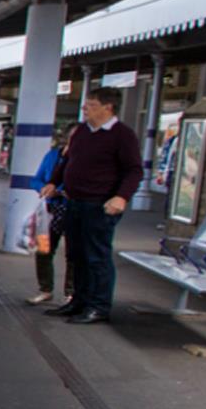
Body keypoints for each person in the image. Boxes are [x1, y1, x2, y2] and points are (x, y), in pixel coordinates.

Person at [42, 88, 144, 324]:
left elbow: (134, 170)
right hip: (73, 201)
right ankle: (78, 300)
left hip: (100, 204)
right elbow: (68, 160)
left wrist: (122, 197)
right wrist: (54, 182)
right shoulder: (81, 133)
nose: (85, 108)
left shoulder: (122, 135)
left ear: (108, 107)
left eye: (91, 104)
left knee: (96, 255)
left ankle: (98, 306)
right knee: (75, 254)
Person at [22, 128, 71, 305]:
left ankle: (70, 294)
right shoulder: (52, 156)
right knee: (43, 249)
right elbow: (36, 179)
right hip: (50, 211)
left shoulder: (85, 160)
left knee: (73, 254)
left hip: (74, 210)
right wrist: (44, 188)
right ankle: (45, 289)